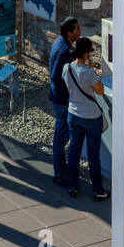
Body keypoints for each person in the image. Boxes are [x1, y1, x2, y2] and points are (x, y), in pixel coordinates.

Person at [63, 37, 110, 201]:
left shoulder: (66, 68)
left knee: (74, 151)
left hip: (73, 114)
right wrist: (92, 71)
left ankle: (73, 186)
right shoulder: (89, 73)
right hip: (91, 117)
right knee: (93, 155)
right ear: (86, 53)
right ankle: (98, 190)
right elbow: (100, 91)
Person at [48, 18, 83, 187]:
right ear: (69, 33)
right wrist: (68, 96)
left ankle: (61, 170)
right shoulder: (63, 51)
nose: (80, 31)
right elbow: (56, 76)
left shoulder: (61, 43)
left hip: (59, 98)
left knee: (61, 135)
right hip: (62, 101)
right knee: (61, 138)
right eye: (77, 29)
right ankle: (60, 173)